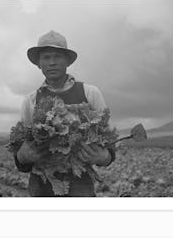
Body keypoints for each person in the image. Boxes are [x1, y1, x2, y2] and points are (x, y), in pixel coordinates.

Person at [13, 30, 115, 197]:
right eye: (46, 57)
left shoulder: (90, 93)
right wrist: (22, 157)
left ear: (67, 61)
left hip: (80, 184)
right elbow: (20, 153)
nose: (52, 62)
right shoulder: (30, 101)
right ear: (38, 63)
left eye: (58, 56)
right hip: (42, 184)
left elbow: (109, 143)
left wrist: (104, 156)